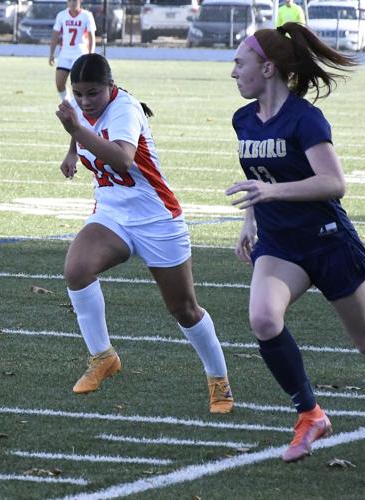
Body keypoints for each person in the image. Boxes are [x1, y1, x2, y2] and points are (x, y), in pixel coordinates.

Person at [225, 25, 365, 464]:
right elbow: (257, 178)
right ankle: (310, 414)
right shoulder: (243, 119)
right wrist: (250, 219)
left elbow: (333, 183)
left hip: (328, 243)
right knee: (264, 319)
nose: (233, 73)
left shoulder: (305, 118)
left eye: (239, 63)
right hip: (281, 244)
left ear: (267, 67)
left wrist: (272, 196)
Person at [54, 53, 234, 414]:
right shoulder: (77, 103)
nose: (86, 101)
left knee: (183, 308)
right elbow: (82, 128)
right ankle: (103, 357)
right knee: (76, 270)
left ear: (111, 85)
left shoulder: (126, 108)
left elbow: (122, 159)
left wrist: (76, 132)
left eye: (93, 93)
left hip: (156, 217)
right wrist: (72, 150)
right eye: (79, 94)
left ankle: (219, 383)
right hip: (112, 212)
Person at [49, 0, 96, 102]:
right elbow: (55, 35)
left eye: (74, 0)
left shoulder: (86, 15)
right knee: (59, 84)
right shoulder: (61, 15)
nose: (72, 3)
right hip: (65, 54)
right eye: (70, 0)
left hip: (80, 54)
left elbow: (91, 37)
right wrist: (51, 54)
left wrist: (90, 56)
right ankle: (68, 104)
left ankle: (79, 106)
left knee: (79, 85)